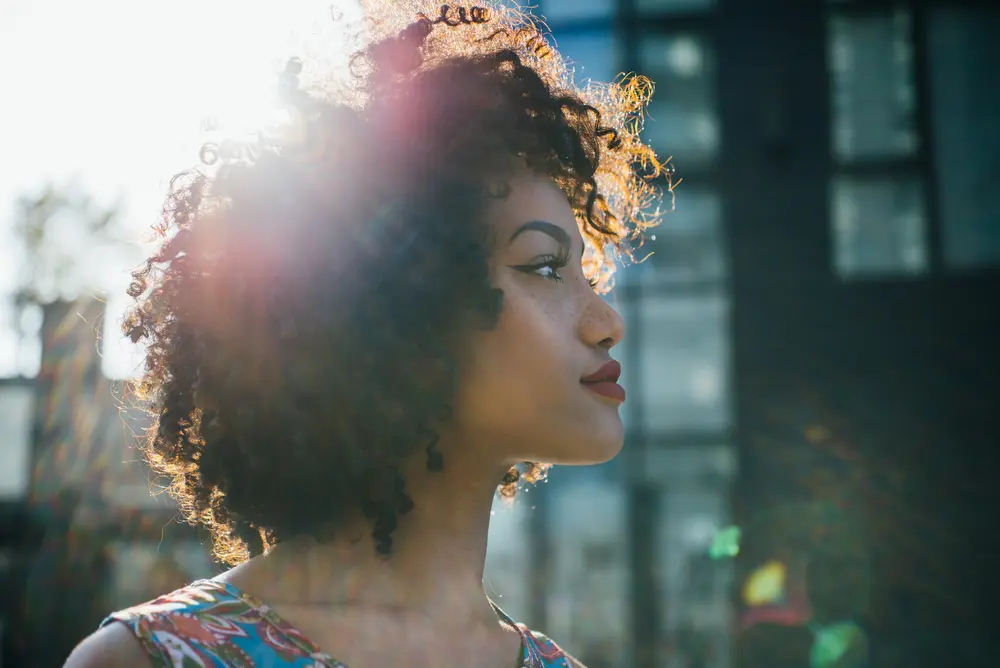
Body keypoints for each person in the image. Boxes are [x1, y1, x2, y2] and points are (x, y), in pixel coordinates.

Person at [64, 1, 668, 666]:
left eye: (584, 272)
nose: (607, 321)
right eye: (546, 267)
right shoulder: (153, 660)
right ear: (402, 312)